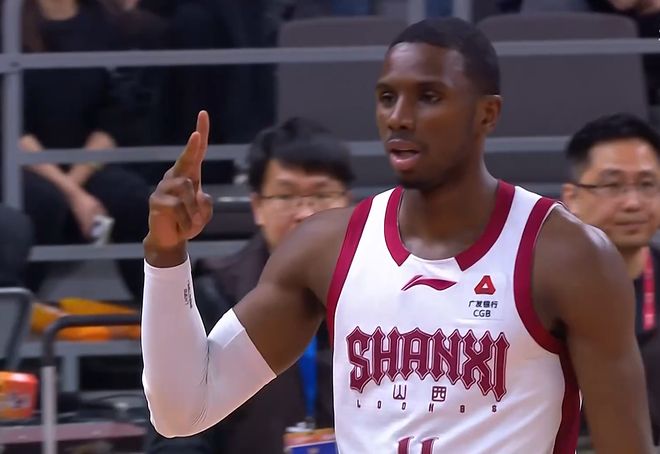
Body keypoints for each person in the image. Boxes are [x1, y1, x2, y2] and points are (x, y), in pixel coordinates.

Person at [141, 17, 655, 453]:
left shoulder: (568, 256)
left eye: (429, 97)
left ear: (487, 113)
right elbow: (184, 410)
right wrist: (166, 254)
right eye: (387, 97)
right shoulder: (324, 248)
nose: (400, 118)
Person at [143, 116, 352, 453]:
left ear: (348, 203)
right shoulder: (214, 292)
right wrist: (164, 252)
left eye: (322, 194)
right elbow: (175, 438)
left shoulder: (379, 290)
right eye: (286, 196)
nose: (304, 213)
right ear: (257, 207)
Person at [15, 0, 151, 301]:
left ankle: (159, 317)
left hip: (85, 165)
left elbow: (116, 115)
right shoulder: (9, 24)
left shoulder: (109, 23)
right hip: (20, 164)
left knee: (134, 200)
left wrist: (74, 186)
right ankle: (14, 314)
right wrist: (72, 194)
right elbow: (11, 127)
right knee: (43, 203)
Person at [561, 113, 660, 446]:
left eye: (647, 184)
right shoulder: (537, 290)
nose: (633, 202)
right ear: (572, 198)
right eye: (613, 185)